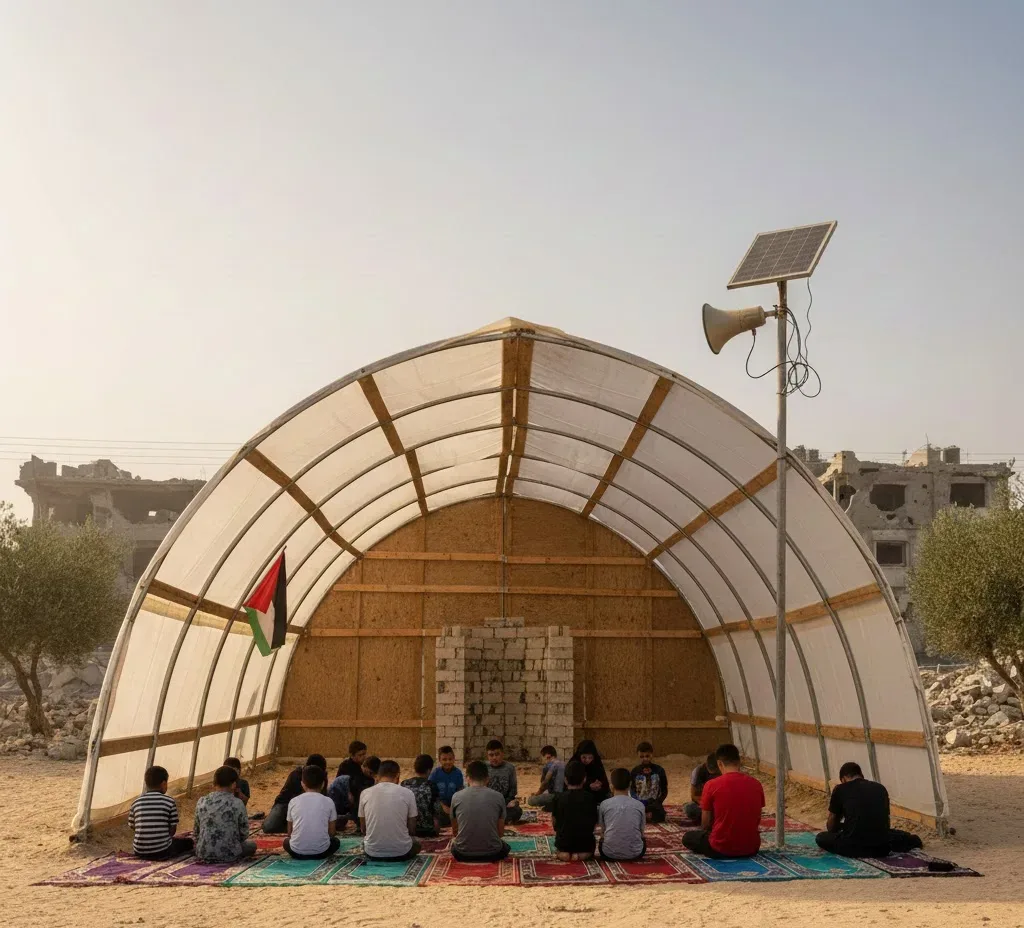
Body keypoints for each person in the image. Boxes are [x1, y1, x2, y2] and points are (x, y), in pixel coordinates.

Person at [815, 762, 924, 858]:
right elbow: (885, 823)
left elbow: (831, 826)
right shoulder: (880, 788)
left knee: (821, 837)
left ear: (843, 779)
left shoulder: (840, 789)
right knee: (897, 835)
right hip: (881, 849)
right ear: (862, 775)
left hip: (852, 848)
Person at [682, 743, 764, 859]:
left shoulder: (711, 785)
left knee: (688, 838)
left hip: (721, 848)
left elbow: (705, 823)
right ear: (739, 762)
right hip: (751, 848)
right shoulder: (756, 784)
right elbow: (757, 818)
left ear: (719, 763)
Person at [450, 760, 511, 863]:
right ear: (487, 778)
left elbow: (455, 832)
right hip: (493, 853)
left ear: (467, 778)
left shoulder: (456, 797)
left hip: (462, 853)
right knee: (505, 847)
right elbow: (500, 833)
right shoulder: (498, 796)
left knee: (453, 846)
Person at [359, 760, 422, 861]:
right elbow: (412, 829)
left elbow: (363, 829)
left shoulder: (365, 793)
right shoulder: (408, 793)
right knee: (417, 844)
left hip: (372, 853)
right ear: (397, 775)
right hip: (402, 852)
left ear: (378, 776)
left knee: (363, 843)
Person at [128, 766, 194, 859]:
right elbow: (173, 829)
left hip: (139, 851)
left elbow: (132, 826)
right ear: (163, 784)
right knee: (188, 842)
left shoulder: (136, 802)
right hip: (162, 851)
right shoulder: (169, 801)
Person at [193, 765, 257, 862]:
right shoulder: (238, 803)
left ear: (214, 783)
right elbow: (244, 833)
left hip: (203, 852)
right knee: (251, 845)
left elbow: (196, 832)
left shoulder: (201, 801)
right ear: (234, 785)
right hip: (230, 854)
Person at [284, 764, 340, 860]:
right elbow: (332, 832)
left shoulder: (293, 801)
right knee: (336, 842)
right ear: (323, 784)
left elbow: (290, 833)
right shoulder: (328, 801)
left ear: (302, 784)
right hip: (322, 852)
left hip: (296, 852)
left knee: (286, 842)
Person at [263, 753, 329, 834]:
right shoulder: (296, 775)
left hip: (310, 809)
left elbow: (323, 799)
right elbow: (294, 801)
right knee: (269, 827)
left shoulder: (322, 777)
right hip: (286, 805)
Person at [551, 760, 600, 861]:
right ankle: (579, 856)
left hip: (563, 842)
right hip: (584, 844)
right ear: (584, 779)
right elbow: (594, 823)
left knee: (561, 847)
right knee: (588, 850)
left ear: (565, 780)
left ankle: (563, 854)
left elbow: (554, 821)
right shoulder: (590, 798)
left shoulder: (558, 797)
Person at [599, 767, 647, 862]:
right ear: (630, 784)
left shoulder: (604, 804)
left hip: (608, 854)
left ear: (611, 786)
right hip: (636, 853)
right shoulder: (639, 805)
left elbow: (603, 831)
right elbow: (642, 832)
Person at [401, 754, 441, 837]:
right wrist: (437, 834)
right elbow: (436, 813)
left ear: (415, 769)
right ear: (429, 770)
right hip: (427, 831)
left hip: (406, 830)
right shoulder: (431, 786)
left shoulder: (404, 784)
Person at [630, 742, 669, 823]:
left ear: (652, 754)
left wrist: (658, 802)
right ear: (638, 756)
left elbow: (664, 790)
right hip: (640, 804)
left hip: (655, 804)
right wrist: (638, 802)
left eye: (647, 756)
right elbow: (632, 790)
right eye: (641, 756)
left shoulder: (659, 770)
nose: (645, 759)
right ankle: (646, 815)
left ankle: (646, 816)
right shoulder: (635, 771)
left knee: (660, 815)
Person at [486, 739, 523, 824]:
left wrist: (507, 802)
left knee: (517, 810)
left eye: (497, 754)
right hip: (488, 804)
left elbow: (513, 790)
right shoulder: (484, 768)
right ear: (487, 756)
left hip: (505, 803)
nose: (494, 758)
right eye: (491, 755)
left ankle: (493, 819)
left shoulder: (510, 768)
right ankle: (500, 819)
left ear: (502, 754)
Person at [428, 744, 464, 828]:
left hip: (453, 805)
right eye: (444, 759)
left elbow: (460, 790)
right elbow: (430, 793)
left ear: (454, 759)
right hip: (439, 805)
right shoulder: (435, 774)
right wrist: (442, 805)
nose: (448, 762)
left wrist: (453, 806)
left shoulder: (458, 773)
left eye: (450, 759)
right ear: (439, 760)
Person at [337, 741, 376, 816]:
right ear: (352, 755)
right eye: (360, 755)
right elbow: (339, 784)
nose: (363, 757)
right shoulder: (345, 766)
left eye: (364, 754)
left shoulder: (365, 765)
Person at [684, 753, 720, 822]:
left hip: (718, 806)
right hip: (703, 805)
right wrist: (706, 804)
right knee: (690, 808)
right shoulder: (697, 772)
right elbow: (694, 795)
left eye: (715, 774)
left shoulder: (723, 772)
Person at [527, 745, 565, 809]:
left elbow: (545, 784)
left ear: (548, 756)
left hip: (556, 797)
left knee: (530, 800)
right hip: (565, 796)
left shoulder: (549, 766)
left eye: (543, 758)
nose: (543, 761)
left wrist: (536, 795)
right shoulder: (564, 763)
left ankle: (552, 805)